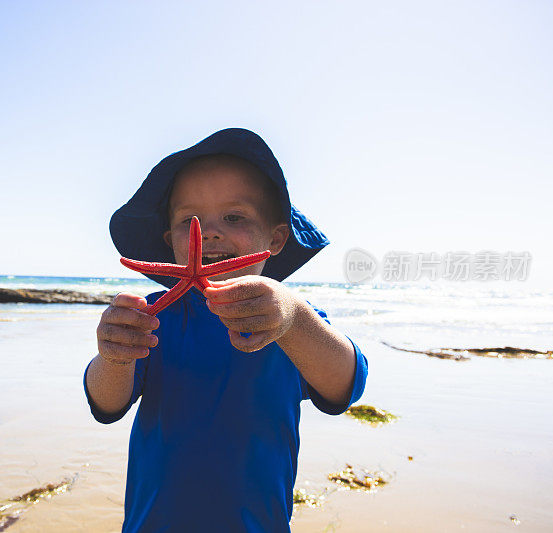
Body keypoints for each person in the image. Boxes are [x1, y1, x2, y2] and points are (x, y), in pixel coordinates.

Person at [84, 128, 368, 532]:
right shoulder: (153, 318)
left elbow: (345, 387)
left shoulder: (290, 322)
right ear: (171, 242)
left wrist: (293, 317)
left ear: (276, 239)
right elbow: (106, 405)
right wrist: (113, 356)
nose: (209, 231)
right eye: (189, 221)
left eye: (234, 217)